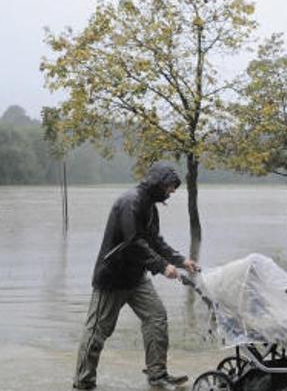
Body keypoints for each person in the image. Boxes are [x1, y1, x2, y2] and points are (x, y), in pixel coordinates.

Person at [72, 163, 200, 389]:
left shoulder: (151, 207)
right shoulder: (130, 202)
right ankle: (83, 383)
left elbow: (155, 241)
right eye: (170, 186)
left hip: (136, 277)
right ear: (159, 183)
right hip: (112, 279)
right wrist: (162, 266)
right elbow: (133, 243)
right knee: (97, 333)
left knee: (157, 317)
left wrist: (181, 261)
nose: (173, 191)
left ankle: (157, 376)